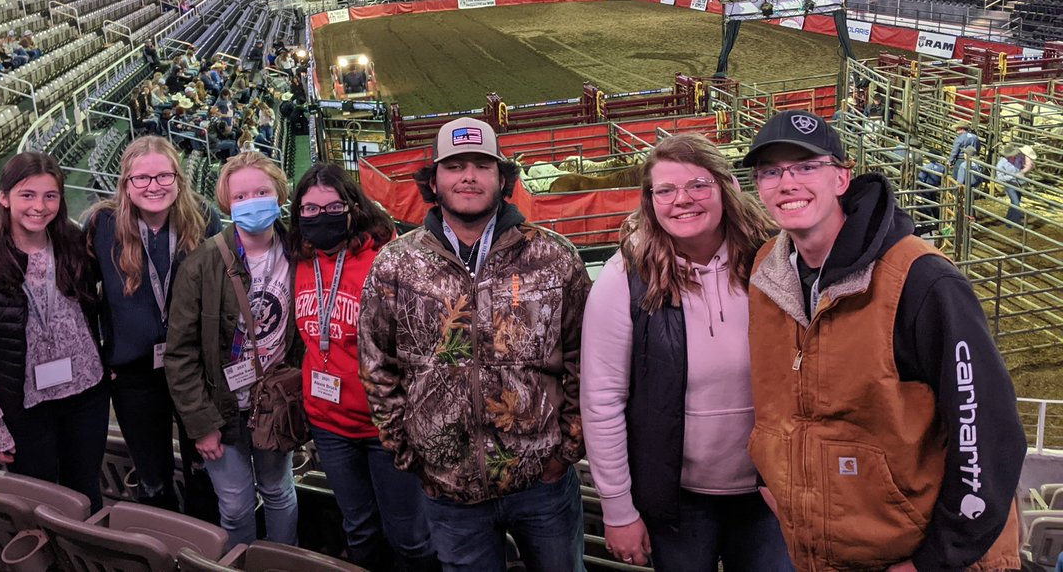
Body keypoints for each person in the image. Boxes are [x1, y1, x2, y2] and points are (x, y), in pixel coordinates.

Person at [741, 110, 1024, 571]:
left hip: (920, 557)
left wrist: (936, 559)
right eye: (770, 172)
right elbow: (774, 395)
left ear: (840, 178)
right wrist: (769, 478)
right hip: (826, 548)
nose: (786, 182)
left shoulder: (922, 280)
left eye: (806, 166)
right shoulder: (767, 273)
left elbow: (987, 432)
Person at [358, 117, 590, 572]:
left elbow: (586, 359)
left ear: (503, 179)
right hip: (448, 490)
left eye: (482, 165)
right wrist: (410, 455)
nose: (468, 176)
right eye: (455, 166)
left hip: (543, 483)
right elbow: (376, 366)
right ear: (434, 180)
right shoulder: (396, 265)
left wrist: (565, 452)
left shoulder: (554, 256)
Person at [580, 134, 791, 571]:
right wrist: (618, 509)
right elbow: (602, 400)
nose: (683, 200)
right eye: (666, 190)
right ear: (649, 200)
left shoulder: (777, 260)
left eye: (698, 185)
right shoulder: (625, 279)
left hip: (772, 490)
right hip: (676, 500)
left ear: (726, 187)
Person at [289, 164, 439, 571]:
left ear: (353, 207)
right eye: (310, 209)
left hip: (385, 428)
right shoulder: (298, 261)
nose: (321, 217)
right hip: (328, 423)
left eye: (332, 206)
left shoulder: (387, 260)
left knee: (409, 536)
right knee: (358, 528)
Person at [0, 152, 107, 513]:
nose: (40, 206)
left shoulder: (77, 245)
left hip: (86, 396)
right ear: (4, 198)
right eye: (27, 195)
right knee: (40, 504)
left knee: (86, 494)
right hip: (24, 407)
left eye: (50, 196)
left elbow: (103, 306)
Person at [165, 153, 300, 548]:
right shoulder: (201, 263)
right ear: (226, 203)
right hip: (222, 409)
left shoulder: (299, 253)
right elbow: (180, 354)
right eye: (241, 195)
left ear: (279, 194)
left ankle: (282, 560)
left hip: (275, 405)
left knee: (279, 492)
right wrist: (202, 425)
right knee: (237, 505)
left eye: (261, 191)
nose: (252, 201)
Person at [85, 136, 222, 515]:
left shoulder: (205, 218)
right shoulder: (102, 224)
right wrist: (100, 356)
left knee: (205, 471)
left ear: (178, 178)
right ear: (126, 184)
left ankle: (205, 551)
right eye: (141, 178)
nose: (153, 186)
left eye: (163, 176)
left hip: (195, 373)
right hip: (133, 377)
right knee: (153, 477)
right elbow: (81, 296)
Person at [995, 144, 1035, 226]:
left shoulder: (1019, 158)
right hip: (1009, 184)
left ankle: (1008, 220)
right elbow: (999, 177)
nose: (1013, 156)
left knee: (1015, 203)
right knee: (1016, 203)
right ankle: (1013, 223)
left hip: (1019, 183)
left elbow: (1026, 165)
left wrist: (1029, 167)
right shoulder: (1001, 163)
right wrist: (1013, 176)